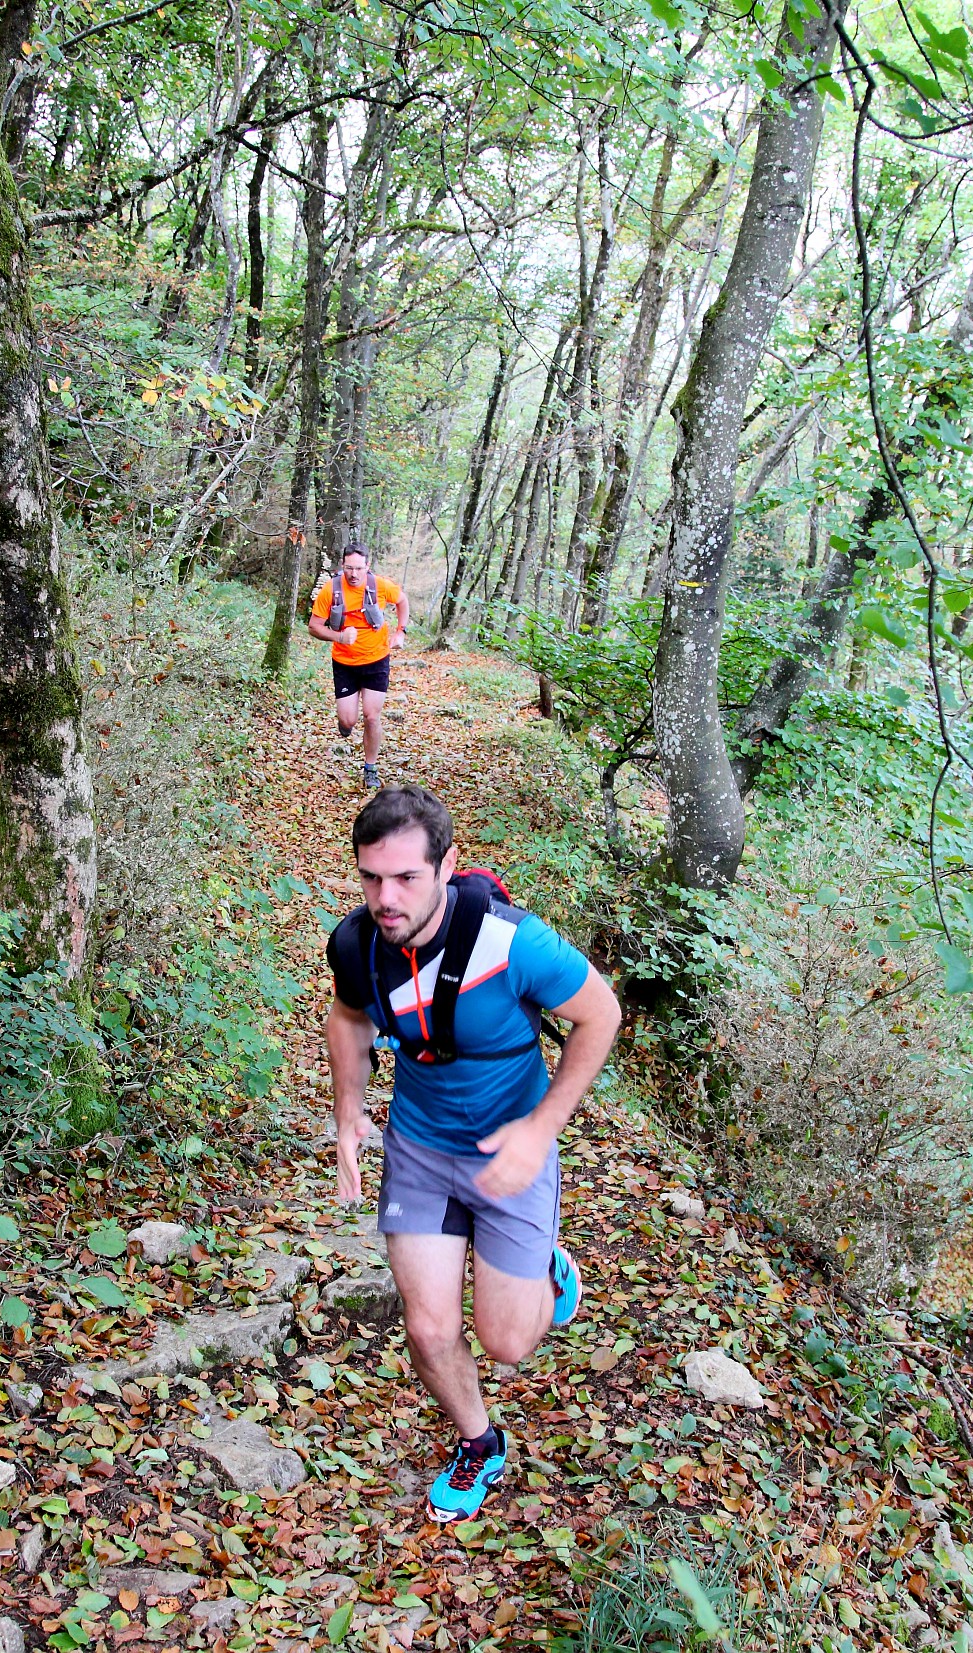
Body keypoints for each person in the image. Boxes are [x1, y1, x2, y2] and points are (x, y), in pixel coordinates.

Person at [325, 785, 621, 1522]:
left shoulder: (514, 942)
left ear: (448, 865)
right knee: (428, 1327)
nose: (384, 898)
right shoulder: (358, 943)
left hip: (509, 1153)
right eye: (370, 877)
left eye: (405, 879)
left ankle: (546, 1268)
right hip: (421, 1150)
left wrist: (542, 1127)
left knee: (509, 1341)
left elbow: (601, 1013)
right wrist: (349, 1116)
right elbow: (348, 1016)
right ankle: (480, 1443)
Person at [307, 544, 406, 789]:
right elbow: (314, 626)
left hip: (376, 660)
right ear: (342, 566)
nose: (354, 574)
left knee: (372, 717)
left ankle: (370, 768)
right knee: (349, 721)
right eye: (349, 568)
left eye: (359, 568)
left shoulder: (380, 585)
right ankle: (345, 723)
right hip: (344, 663)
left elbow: (402, 601)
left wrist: (400, 632)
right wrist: (339, 637)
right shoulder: (331, 589)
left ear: (367, 567)